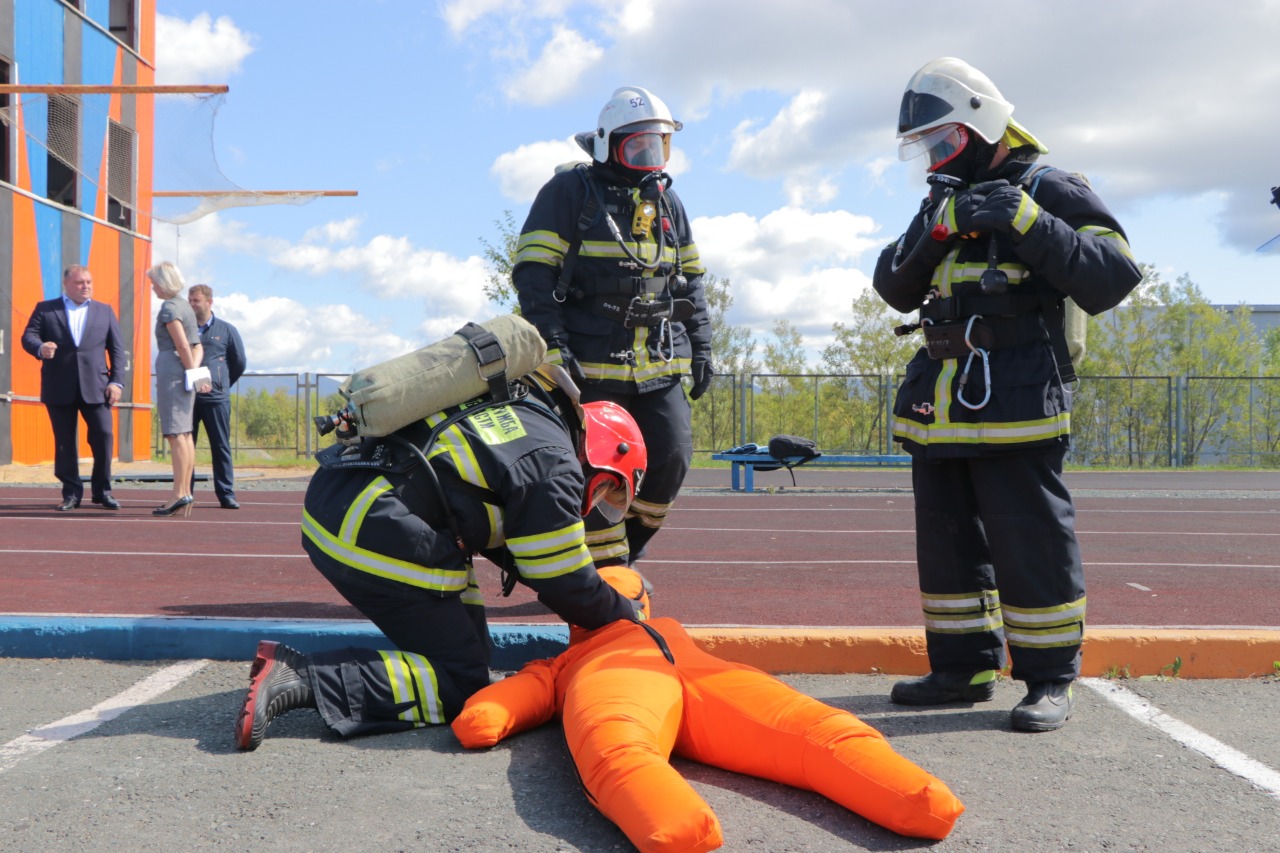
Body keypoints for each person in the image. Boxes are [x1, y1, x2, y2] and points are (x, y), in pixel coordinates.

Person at [871, 57, 1142, 732]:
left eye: (945, 141)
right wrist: (936, 231)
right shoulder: (940, 200)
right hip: (941, 403)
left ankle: (1050, 678)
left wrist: (1029, 220)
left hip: (1019, 399)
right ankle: (961, 668)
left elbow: (1113, 275)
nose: (936, 157)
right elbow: (893, 287)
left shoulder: (1049, 185)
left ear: (983, 124)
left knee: (1032, 542)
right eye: (929, 147)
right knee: (947, 542)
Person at [234, 365, 651, 750]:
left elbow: (516, 541)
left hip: (348, 503)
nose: (593, 502)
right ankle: (303, 677)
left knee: (472, 650)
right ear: (600, 454)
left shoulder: (525, 418)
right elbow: (561, 579)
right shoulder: (554, 464)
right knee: (461, 683)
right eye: (603, 491)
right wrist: (626, 614)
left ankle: (349, 673)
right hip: (375, 526)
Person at [512, 85, 712, 568]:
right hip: (591, 366)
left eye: (658, 144)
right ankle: (604, 578)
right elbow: (533, 275)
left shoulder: (668, 204)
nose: (649, 155)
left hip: (658, 364)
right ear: (607, 144)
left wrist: (703, 347)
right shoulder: (568, 193)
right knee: (602, 471)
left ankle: (626, 554)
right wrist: (554, 349)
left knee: (673, 457)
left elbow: (692, 283)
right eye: (637, 144)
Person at [20, 265, 128, 511]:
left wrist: (116, 381)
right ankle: (71, 493)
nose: (86, 286)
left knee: (103, 437)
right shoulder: (46, 309)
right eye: (80, 282)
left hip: (98, 387)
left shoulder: (104, 311)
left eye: (89, 282)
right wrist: (40, 348)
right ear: (67, 284)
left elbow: (117, 351)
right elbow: (28, 336)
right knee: (65, 442)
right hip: (59, 386)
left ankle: (102, 491)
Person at [147, 261, 209, 517]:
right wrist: (193, 372)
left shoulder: (170, 308)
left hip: (174, 373)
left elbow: (183, 345)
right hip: (185, 372)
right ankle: (184, 491)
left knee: (176, 435)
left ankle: (179, 493)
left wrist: (188, 371)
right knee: (184, 434)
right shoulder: (185, 305)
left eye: (153, 283)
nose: (152, 288)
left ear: (163, 283)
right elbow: (197, 346)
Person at [187, 284, 247, 509]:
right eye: (190, 301)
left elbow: (239, 361)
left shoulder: (227, 329)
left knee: (220, 445)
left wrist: (221, 383)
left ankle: (226, 493)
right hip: (188, 398)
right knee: (186, 447)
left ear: (209, 302)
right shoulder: (184, 329)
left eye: (197, 301)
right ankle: (185, 492)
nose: (193, 305)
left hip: (216, 399)